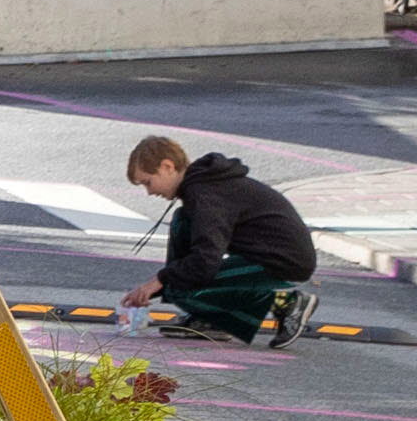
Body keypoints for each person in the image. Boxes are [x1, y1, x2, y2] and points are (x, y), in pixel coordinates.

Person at [122, 133, 321, 344]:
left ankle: (286, 303)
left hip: (285, 261)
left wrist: (159, 282)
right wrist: (157, 286)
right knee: (181, 223)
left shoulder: (206, 195)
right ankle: (209, 318)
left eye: (148, 182)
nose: (149, 192)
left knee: (180, 289)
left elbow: (205, 261)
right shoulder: (201, 188)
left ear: (167, 167)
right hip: (263, 254)